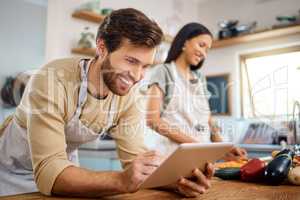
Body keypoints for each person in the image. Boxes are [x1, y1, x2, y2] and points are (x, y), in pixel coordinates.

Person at [0, 9, 213, 198]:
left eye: (146, 66)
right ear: (102, 47)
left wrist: (179, 183)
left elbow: (135, 161)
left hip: (65, 172)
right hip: (10, 174)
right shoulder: (52, 80)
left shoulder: (128, 97)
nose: (138, 76)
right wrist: (121, 180)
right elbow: (48, 171)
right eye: (131, 61)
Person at [145, 22, 247, 160]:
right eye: (201, 45)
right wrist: (195, 145)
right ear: (185, 41)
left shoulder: (199, 78)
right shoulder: (164, 72)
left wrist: (224, 148)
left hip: (201, 155)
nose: (204, 53)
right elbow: (153, 120)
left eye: (207, 50)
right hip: (172, 156)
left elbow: (208, 118)